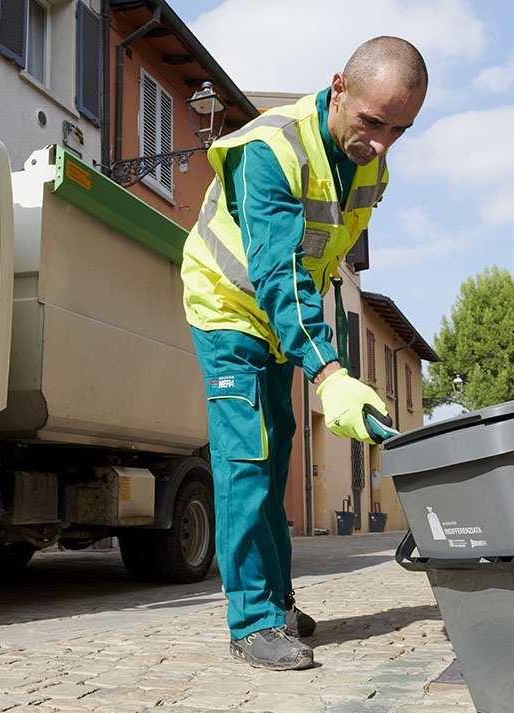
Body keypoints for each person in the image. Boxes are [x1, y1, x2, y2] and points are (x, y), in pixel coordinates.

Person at [181, 36, 428, 671]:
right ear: (338, 88)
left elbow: (324, 270)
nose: (381, 143)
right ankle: (252, 622)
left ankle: (279, 602)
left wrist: (332, 360)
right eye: (374, 122)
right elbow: (280, 272)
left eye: (400, 130)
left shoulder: (371, 167)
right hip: (229, 307)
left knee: (281, 447)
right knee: (248, 458)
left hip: (279, 320)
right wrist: (329, 369)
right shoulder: (271, 150)